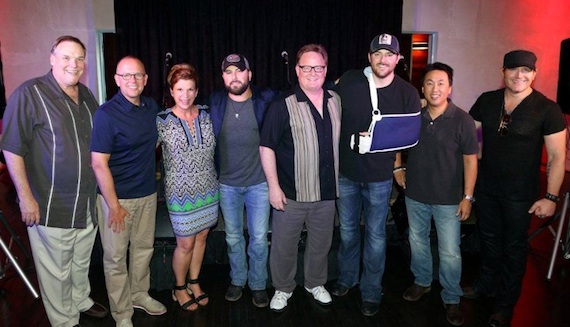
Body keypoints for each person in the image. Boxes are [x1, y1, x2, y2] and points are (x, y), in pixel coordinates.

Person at [0, 35, 108, 326]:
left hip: (85, 201)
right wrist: (25, 197)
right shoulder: (29, 94)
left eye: (79, 58)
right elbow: (11, 149)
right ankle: (64, 320)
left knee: (80, 260)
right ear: (52, 59)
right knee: (56, 270)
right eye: (66, 57)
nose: (74, 64)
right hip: (50, 203)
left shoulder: (86, 96)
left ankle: (80, 299)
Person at [464, 50, 567, 327]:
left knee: (513, 248)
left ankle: (505, 303)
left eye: (525, 70)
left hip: (520, 196)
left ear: (534, 74)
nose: (518, 75)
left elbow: (558, 157)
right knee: (488, 240)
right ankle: (485, 284)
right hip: (486, 188)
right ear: (503, 72)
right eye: (512, 69)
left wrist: (551, 197)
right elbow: (472, 138)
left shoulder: (548, 109)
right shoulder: (487, 100)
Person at [332, 33, 422, 317]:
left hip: (380, 177)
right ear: (369, 56)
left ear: (398, 58)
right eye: (378, 53)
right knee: (347, 232)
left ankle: (371, 289)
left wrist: (391, 157)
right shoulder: (349, 80)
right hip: (346, 172)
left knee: (375, 236)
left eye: (389, 54)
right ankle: (348, 277)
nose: (383, 59)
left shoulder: (407, 92)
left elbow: (409, 137)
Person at [260, 44, 341, 312]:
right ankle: (283, 288)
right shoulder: (281, 104)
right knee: (284, 247)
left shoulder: (335, 100)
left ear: (325, 69)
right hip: (291, 193)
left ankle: (315, 283)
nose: (313, 72)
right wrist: (273, 187)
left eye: (318, 67)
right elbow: (266, 146)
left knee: (321, 244)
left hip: (326, 193)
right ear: (297, 70)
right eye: (306, 67)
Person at [400, 62, 478, 326]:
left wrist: (467, 197)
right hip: (415, 195)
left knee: (450, 252)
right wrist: (398, 166)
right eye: (430, 83)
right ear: (422, 87)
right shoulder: (414, 116)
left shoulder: (463, 120)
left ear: (450, 88)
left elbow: (470, 160)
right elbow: (396, 139)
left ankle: (452, 297)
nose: (435, 88)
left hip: (448, 199)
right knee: (418, 241)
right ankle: (422, 281)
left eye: (441, 83)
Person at [91, 56, 166, 327]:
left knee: (144, 250)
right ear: (116, 80)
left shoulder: (150, 107)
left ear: (145, 79)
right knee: (115, 258)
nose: (132, 80)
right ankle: (122, 313)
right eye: (126, 76)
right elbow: (98, 163)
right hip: (117, 199)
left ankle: (139, 295)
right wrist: (113, 206)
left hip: (147, 194)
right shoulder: (106, 114)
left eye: (138, 75)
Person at [209, 54, 278, 307]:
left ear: (249, 74)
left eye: (239, 71)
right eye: (229, 72)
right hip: (227, 185)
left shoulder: (265, 100)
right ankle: (238, 279)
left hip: (259, 183)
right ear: (223, 77)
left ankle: (258, 284)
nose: (234, 76)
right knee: (233, 237)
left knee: (259, 238)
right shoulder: (215, 102)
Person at [157, 63, 218, 311]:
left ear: (196, 90)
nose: (185, 95)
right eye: (180, 89)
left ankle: (194, 282)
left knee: (202, 237)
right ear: (171, 91)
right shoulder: (161, 121)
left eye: (190, 89)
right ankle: (179, 287)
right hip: (180, 193)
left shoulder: (206, 114)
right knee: (185, 243)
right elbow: (143, 152)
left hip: (208, 188)